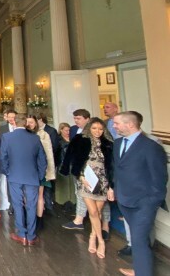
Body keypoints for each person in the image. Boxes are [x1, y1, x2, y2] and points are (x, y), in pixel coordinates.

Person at [109, 111, 168, 276]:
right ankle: (140, 268)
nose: (114, 126)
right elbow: (117, 169)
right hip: (124, 199)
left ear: (130, 124)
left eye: (117, 123)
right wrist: (114, 189)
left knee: (139, 239)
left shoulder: (151, 147)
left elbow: (160, 178)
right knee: (138, 237)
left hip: (144, 202)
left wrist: (152, 201)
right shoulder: (118, 143)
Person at [60, 118, 113, 259]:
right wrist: (80, 175)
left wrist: (111, 185)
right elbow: (73, 159)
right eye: (94, 128)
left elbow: (111, 165)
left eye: (100, 129)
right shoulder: (80, 139)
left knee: (98, 211)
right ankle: (100, 241)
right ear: (89, 128)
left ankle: (93, 235)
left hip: (102, 180)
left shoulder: (108, 143)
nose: (97, 131)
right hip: (86, 179)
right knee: (93, 211)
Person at [1, 114, 46, 246]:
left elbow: (3, 157)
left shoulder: (7, 137)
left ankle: (21, 234)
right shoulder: (35, 138)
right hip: (32, 176)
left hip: (14, 175)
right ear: (26, 123)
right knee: (31, 205)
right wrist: (40, 175)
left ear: (14, 122)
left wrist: (8, 172)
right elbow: (42, 160)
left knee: (18, 204)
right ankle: (31, 236)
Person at [26, 115, 55, 230]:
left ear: (36, 123)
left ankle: (39, 219)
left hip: (39, 169)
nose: (29, 124)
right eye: (27, 122)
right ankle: (29, 218)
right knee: (27, 196)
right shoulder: (24, 135)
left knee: (39, 195)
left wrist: (48, 171)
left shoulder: (43, 134)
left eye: (31, 122)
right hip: (27, 170)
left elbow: (48, 154)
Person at [54, 123, 76, 210]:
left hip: (72, 163)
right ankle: (64, 202)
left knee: (72, 183)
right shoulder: (58, 140)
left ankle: (73, 201)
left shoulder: (72, 139)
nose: (68, 132)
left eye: (69, 130)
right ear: (61, 130)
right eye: (66, 130)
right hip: (62, 164)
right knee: (64, 184)